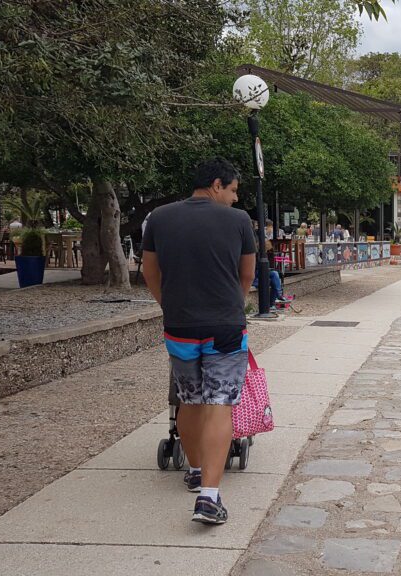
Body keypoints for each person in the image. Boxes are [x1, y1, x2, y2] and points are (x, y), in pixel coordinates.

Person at [142, 157, 255, 526]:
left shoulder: (159, 218)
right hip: (225, 328)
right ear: (217, 184)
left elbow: (149, 271)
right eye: (233, 190)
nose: (235, 198)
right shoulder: (239, 221)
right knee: (219, 403)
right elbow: (246, 275)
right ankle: (209, 497)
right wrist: (233, 306)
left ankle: (194, 470)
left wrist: (169, 305)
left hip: (179, 326)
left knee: (188, 399)